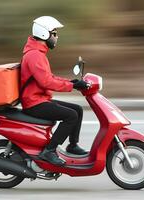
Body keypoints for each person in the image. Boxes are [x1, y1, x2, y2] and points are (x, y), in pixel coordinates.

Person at [21, 16, 89, 166]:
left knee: (77, 109)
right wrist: (72, 87)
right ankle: (49, 151)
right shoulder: (34, 55)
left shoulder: (38, 53)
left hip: (39, 99)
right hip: (34, 102)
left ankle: (72, 146)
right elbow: (46, 82)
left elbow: (48, 77)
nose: (57, 37)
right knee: (70, 116)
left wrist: (71, 82)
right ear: (45, 34)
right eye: (55, 33)